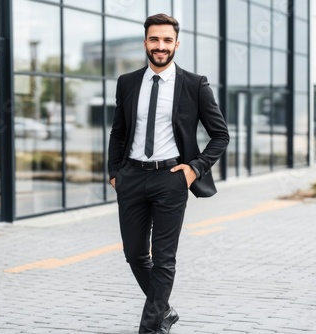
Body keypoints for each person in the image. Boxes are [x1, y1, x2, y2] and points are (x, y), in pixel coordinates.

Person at [108, 13, 229, 334]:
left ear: (177, 43)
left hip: (171, 179)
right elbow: (118, 132)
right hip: (131, 177)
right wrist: (114, 173)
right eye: (154, 39)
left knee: (163, 259)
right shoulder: (127, 82)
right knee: (134, 255)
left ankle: (150, 327)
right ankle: (165, 310)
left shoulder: (194, 84)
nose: (160, 46)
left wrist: (194, 169)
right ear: (145, 42)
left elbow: (221, 135)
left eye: (166, 40)